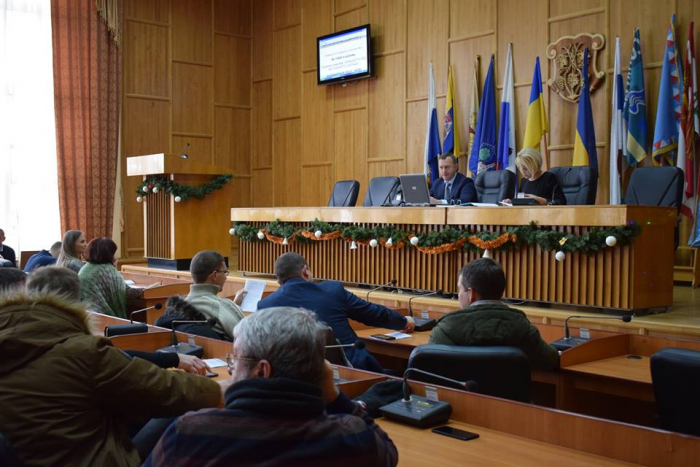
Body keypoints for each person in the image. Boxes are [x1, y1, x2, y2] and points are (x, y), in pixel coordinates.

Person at [0, 266, 223, 467]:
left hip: (44, 452)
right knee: (179, 415)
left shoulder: (26, 342)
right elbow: (165, 390)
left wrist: (171, 360)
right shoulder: (80, 351)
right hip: (89, 458)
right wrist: (223, 389)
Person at [145, 307, 398, 467]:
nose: (231, 368)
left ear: (263, 371)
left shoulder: (192, 432)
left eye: (236, 359)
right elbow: (387, 451)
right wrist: (334, 395)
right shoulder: (351, 438)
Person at [257, 253, 414, 372]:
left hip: (300, 377)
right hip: (352, 371)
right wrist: (403, 321)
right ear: (305, 271)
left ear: (278, 281)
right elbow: (370, 312)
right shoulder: (332, 290)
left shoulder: (265, 305)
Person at [429, 258, 559, 370]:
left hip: (459, 398)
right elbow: (552, 360)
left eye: (460, 289)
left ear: (471, 294)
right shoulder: (524, 329)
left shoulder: (446, 329)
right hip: (507, 399)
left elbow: (429, 366)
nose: (458, 295)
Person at [184, 250, 246, 340]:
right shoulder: (220, 306)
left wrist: (234, 305)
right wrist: (231, 308)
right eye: (225, 272)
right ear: (214, 275)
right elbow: (247, 338)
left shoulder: (183, 304)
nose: (226, 277)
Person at [79, 237, 144, 318]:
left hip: (85, 314)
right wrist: (146, 290)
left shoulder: (86, 267)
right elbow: (127, 292)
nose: (115, 256)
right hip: (103, 317)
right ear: (108, 254)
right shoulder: (107, 269)